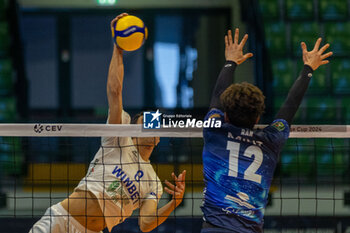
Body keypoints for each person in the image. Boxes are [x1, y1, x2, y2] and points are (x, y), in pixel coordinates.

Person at [30, 13, 186, 233]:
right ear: (132, 131)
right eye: (145, 124)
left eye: (155, 127)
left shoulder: (153, 183)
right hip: (60, 221)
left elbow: (146, 224)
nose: (151, 129)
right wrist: (118, 48)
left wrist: (173, 203)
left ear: (159, 138)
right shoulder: (119, 139)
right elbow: (115, 91)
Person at [200, 28, 332, 233]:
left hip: (214, 228)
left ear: (225, 115)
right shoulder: (270, 140)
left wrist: (230, 62)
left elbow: (217, 96)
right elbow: (289, 107)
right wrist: (308, 68)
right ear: (258, 117)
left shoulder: (214, 131)